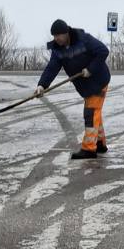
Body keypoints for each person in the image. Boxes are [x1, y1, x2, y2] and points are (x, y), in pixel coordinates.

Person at [36, 20, 112, 160]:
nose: (57, 38)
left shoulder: (84, 39)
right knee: (95, 112)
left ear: (66, 33)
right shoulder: (58, 50)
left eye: (59, 35)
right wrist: (42, 85)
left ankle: (89, 149)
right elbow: (52, 68)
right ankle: (100, 143)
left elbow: (103, 51)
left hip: (98, 80)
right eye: (54, 36)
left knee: (90, 112)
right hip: (85, 86)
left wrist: (90, 69)